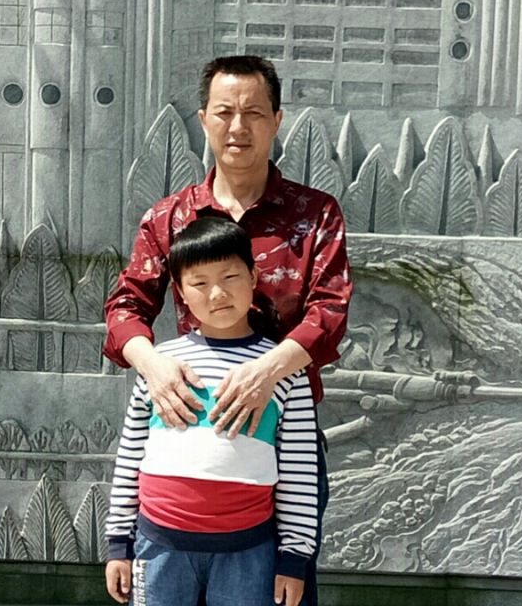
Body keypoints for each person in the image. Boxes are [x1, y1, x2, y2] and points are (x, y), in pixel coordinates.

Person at [103, 55, 353, 604]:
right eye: (224, 112)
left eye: (254, 113)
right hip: (186, 441)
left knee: (280, 588)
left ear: (277, 120)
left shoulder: (314, 214)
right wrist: (154, 367)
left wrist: (269, 371)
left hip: (281, 436)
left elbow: (330, 309)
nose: (238, 127)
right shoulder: (171, 218)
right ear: (204, 120)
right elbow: (125, 305)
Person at [105, 217, 318, 606]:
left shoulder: (284, 369)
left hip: (249, 550)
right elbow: (130, 454)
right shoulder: (160, 363)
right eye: (199, 283)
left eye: (230, 277)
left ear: (254, 277)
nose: (217, 293)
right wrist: (119, 543)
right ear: (181, 292)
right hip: (158, 544)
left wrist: (295, 556)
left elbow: (299, 471)